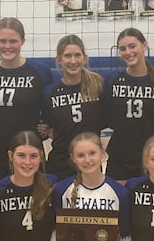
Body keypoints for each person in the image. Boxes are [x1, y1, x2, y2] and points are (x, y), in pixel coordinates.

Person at [0, 18, 53, 181]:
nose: (8, 46)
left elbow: (49, 108)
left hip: (28, 153)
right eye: (2, 41)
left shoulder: (40, 72)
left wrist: (46, 126)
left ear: (23, 41)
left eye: (13, 41)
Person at [103, 28, 154, 180]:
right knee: (120, 201)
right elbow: (107, 116)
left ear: (144, 45)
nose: (128, 52)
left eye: (132, 46)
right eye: (122, 49)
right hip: (120, 156)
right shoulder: (113, 80)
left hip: (152, 157)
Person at [40, 35, 105, 179]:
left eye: (77, 55)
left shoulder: (98, 86)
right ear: (59, 59)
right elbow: (47, 128)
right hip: (60, 164)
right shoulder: (49, 92)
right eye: (67, 56)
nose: (73, 61)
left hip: (90, 163)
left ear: (85, 57)